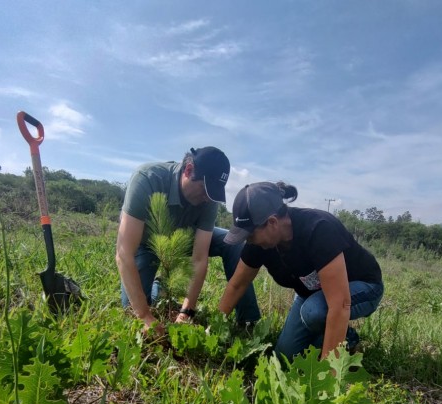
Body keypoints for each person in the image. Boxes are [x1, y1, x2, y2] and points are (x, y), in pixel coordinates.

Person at [218, 181, 384, 361]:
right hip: (313, 294)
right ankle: (329, 336)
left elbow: (340, 304)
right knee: (285, 356)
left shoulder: (318, 229)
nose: (248, 241)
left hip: (362, 287)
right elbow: (237, 285)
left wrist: (327, 373)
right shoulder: (260, 243)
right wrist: (214, 329)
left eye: (250, 235)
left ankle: (348, 342)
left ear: (272, 222)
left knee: (314, 313)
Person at [116, 147, 260, 331]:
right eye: (205, 189)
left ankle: (247, 323)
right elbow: (124, 253)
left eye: (213, 193)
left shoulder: (209, 198)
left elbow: (199, 258)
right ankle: (158, 289)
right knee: (132, 311)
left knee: (233, 243)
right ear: (189, 170)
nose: (208, 198)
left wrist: (187, 311)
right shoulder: (148, 178)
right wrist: (144, 315)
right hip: (146, 243)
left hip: (185, 238)